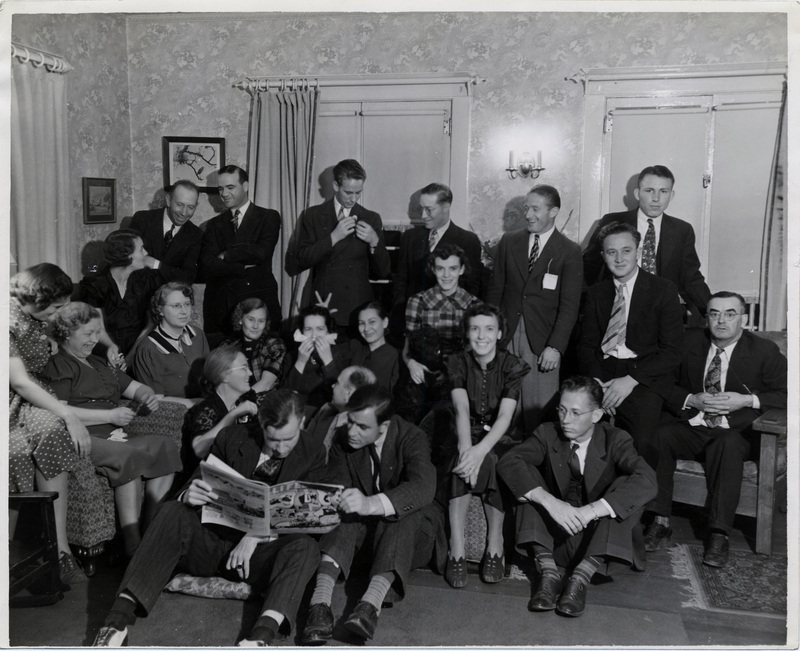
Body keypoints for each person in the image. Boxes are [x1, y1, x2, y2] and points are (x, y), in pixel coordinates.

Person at [91, 390, 326, 647]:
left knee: (306, 547)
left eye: (288, 439)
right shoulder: (231, 437)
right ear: (261, 424)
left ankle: (261, 638)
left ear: (302, 422)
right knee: (173, 510)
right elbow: (195, 483)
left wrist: (257, 535)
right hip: (211, 543)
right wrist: (188, 495)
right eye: (272, 439)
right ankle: (115, 624)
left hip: (257, 558)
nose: (280, 448)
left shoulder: (313, 452)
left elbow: (306, 516)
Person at [644, 292, 787, 568]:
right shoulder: (688, 343)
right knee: (661, 435)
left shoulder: (763, 351)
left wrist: (746, 400)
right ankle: (659, 521)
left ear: (743, 319)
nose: (722, 321)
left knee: (729, 443)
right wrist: (690, 399)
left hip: (737, 432)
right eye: (714, 313)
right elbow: (661, 380)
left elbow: (790, 392)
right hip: (696, 424)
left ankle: (719, 533)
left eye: (730, 314)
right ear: (706, 317)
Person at [497, 376, 657, 618]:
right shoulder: (547, 433)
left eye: (575, 412)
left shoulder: (616, 439)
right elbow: (508, 461)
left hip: (599, 543)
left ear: (596, 415)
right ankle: (549, 576)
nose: (565, 420)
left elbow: (648, 479)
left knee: (629, 484)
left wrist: (590, 511)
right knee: (526, 481)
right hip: (554, 541)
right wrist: (550, 502)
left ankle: (580, 579)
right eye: (561, 410)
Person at [300, 386, 442, 644]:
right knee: (346, 508)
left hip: (411, 538)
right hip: (362, 542)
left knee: (401, 512)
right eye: (350, 422)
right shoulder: (345, 438)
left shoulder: (412, 437)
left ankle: (369, 607)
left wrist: (371, 504)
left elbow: (423, 487)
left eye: (362, 427)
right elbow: (337, 480)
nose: (352, 432)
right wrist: (340, 497)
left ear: (384, 426)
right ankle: (319, 605)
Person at [43, 302, 182, 557]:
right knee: (125, 454)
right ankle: (133, 543)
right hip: (83, 436)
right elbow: (59, 412)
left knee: (166, 445)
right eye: (88, 334)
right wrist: (108, 415)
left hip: (117, 436)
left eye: (98, 332)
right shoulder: (60, 365)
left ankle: (149, 528)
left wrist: (147, 395)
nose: (96, 339)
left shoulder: (99, 362)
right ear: (66, 334)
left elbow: (135, 388)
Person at [9, 264, 91, 584]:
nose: (58, 314)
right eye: (56, 307)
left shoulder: (33, 316)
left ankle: (60, 549)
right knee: (16, 452)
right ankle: (11, 554)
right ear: (38, 298)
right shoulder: (8, 318)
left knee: (51, 430)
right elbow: (19, 382)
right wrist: (70, 414)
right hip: (14, 397)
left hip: (29, 398)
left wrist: (48, 342)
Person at [577, 222, 684, 465]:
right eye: (611, 252)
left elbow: (672, 352)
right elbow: (586, 347)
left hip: (644, 377)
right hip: (602, 375)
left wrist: (630, 381)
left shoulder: (663, 290)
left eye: (626, 250)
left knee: (641, 444)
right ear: (603, 256)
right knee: (586, 437)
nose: (619, 258)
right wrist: (598, 385)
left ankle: (637, 501)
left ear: (638, 251)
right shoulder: (596, 293)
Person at [444, 304, 530, 588]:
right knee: (458, 460)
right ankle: (456, 548)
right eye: (475, 329)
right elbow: (460, 407)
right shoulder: (457, 361)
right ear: (467, 333)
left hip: (500, 435)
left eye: (489, 329)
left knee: (493, 459)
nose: (481, 336)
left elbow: (505, 417)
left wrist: (480, 453)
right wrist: (467, 450)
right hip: (463, 429)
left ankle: (495, 544)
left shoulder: (512, 365)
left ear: (500, 333)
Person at [486, 184, 583, 433]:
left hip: (542, 344)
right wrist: (488, 334)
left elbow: (570, 307)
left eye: (535, 209)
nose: (528, 214)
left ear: (554, 211)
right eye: (526, 208)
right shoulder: (509, 242)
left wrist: (555, 347)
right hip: (505, 338)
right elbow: (495, 292)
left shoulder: (569, 251)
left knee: (539, 413)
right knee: (503, 408)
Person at [583, 165, 712, 317]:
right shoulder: (612, 221)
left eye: (663, 191)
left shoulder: (682, 230)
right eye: (649, 191)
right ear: (637, 193)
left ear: (671, 195)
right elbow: (587, 269)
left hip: (661, 312)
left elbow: (691, 278)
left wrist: (713, 311)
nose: (656, 198)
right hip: (617, 309)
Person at [290, 159, 391, 332]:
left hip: (359, 308)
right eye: (348, 192)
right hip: (324, 304)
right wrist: (333, 238)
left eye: (358, 193)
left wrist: (375, 242)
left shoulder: (371, 218)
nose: (354, 199)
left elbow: (383, 271)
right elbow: (300, 261)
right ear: (336, 186)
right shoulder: (312, 215)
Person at [396, 244, 480, 424]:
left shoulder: (473, 305)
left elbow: (474, 354)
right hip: (424, 377)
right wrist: (411, 364)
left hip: (458, 378)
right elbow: (407, 348)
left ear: (462, 269)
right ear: (433, 270)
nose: (446, 275)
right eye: (440, 269)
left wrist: (451, 373)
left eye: (453, 268)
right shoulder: (418, 301)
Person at [200, 165, 281, 340]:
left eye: (230, 187)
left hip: (257, 301)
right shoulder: (213, 225)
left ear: (245, 186)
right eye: (221, 189)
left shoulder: (268, 217)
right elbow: (207, 263)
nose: (224, 194)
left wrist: (226, 255)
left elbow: (261, 253)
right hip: (222, 306)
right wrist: (242, 265)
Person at [391, 183, 483, 328]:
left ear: (446, 207)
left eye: (429, 210)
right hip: (412, 319)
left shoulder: (468, 240)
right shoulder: (410, 237)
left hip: (450, 321)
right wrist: (401, 314)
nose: (423, 216)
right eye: (421, 209)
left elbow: (471, 287)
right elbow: (401, 281)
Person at [80, 228, 162, 358]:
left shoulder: (144, 281)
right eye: (141, 249)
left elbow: (150, 325)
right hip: (106, 349)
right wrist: (113, 351)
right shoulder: (95, 285)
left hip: (139, 349)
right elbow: (97, 328)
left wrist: (130, 358)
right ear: (127, 255)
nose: (146, 253)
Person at [182, 346, 259, 481]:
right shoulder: (207, 409)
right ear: (224, 375)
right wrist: (233, 415)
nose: (250, 373)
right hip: (206, 480)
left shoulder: (248, 398)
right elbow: (200, 449)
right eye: (243, 368)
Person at [127, 281, 210, 401]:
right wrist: (195, 403)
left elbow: (209, 377)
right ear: (160, 310)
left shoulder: (198, 335)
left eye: (187, 304)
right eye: (176, 306)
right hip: (172, 414)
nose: (184, 311)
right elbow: (156, 401)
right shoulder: (148, 349)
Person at [130, 180, 202, 284]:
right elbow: (127, 259)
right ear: (168, 200)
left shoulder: (195, 234)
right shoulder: (142, 219)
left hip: (169, 297)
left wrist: (156, 264)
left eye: (190, 207)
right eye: (180, 204)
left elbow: (188, 277)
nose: (184, 213)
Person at [281, 305, 345, 414]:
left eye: (320, 329)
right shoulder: (291, 356)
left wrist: (328, 361)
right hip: (295, 412)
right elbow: (283, 396)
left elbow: (342, 396)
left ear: (328, 331)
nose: (314, 335)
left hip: (326, 415)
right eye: (308, 329)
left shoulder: (340, 353)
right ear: (301, 332)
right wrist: (300, 362)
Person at [305, 365, 377, 455]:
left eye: (337, 383)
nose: (332, 386)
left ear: (348, 393)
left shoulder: (358, 432)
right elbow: (305, 442)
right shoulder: (326, 409)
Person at [221, 298, 286, 394]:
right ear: (240, 319)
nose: (255, 326)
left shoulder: (274, 345)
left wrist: (239, 401)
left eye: (261, 321)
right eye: (251, 319)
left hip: (263, 401)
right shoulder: (227, 346)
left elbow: (266, 384)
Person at [346, 301, 400, 391]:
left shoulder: (395, 357)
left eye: (372, 322)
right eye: (362, 323)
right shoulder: (355, 347)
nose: (366, 329)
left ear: (385, 322)